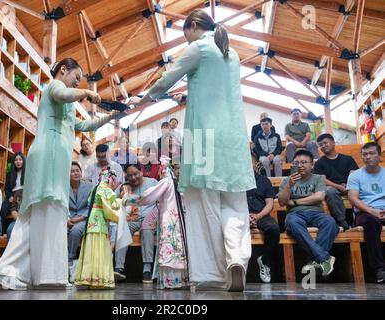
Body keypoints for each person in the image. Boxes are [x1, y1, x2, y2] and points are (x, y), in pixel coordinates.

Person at [129, 10, 255, 291]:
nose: (186, 38)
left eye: (185, 33)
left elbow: (167, 78)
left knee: (204, 206)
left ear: (194, 26)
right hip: (233, 142)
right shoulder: (230, 53)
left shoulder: (198, 47)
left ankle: (213, 274)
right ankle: (236, 258)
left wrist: (144, 98)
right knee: (235, 206)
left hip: (203, 140)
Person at [0, 58, 118, 290]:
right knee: (47, 209)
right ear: (63, 70)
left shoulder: (67, 103)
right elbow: (64, 94)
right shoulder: (54, 87)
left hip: (56, 158)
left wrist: (110, 118)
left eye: (79, 81)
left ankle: (46, 273)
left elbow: (84, 126)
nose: (76, 82)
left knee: (52, 210)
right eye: (75, 77)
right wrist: (86, 91)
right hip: (48, 154)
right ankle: (46, 274)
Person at [122, 164, 188, 289]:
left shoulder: (174, 182)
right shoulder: (173, 182)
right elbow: (148, 197)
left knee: (175, 248)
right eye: (177, 168)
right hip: (175, 219)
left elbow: (146, 197)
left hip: (177, 219)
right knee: (174, 247)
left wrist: (127, 199)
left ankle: (176, 281)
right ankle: (177, 281)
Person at [278, 150, 338, 277]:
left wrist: (295, 202)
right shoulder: (287, 180)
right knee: (292, 222)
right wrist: (289, 186)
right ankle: (324, 258)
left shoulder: (318, 179)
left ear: (312, 165)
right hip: (295, 215)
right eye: (296, 163)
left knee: (331, 223)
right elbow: (282, 202)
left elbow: (319, 197)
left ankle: (315, 260)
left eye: (304, 162)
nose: (300, 165)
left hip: (316, 213)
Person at [75, 169, 121, 289]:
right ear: (111, 179)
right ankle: (98, 279)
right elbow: (109, 207)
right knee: (100, 249)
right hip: (99, 219)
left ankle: (88, 278)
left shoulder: (96, 188)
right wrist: (120, 208)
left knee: (91, 247)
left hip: (91, 219)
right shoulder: (106, 190)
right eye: (114, 180)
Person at [114, 163, 159, 283]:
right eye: (130, 176)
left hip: (149, 218)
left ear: (141, 172)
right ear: (126, 176)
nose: (133, 178)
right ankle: (119, 268)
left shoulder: (153, 182)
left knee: (147, 229)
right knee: (123, 228)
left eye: (135, 174)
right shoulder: (125, 187)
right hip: (133, 219)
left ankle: (147, 269)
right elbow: (112, 199)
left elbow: (162, 200)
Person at [347, 142, 385, 283]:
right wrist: (372, 211)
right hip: (365, 212)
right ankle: (379, 269)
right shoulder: (356, 175)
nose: (368, 157)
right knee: (370, 222)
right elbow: (353, 198)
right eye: (364, 154)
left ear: (379, 156)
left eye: (372, 153)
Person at [314, 133, 359, 230]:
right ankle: (343, 222)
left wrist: (348, 185)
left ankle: (358, 218)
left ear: (333, 143)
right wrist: (339, 186)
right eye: (320, 145)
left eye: (325, 143)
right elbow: (322, 180)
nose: (323, 146)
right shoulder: (319, 163)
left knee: (361, 187)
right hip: (333, 188)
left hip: (350, 186)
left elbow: (354, 174)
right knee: (330, 191)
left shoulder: (348, 159)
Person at [247, 153, 280, 283]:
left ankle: (265, 262)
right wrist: (245, 216)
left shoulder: (264, 181)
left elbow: (270, 204)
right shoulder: (235, 181)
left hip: (261, 214)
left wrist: (258, 216)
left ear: (256, 164)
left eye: (249, 162)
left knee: (274, 228)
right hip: (241, 214)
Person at [68, 161, 93, 282]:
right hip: (69, 217)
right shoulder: (63, 187)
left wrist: (81, 217)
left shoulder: (89, 186)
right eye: (72, 171)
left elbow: (92, 205)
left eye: (77, 170)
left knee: (76, 231)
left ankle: (70, 259)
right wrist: (67, 219)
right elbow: (61, 205)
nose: (75, 173)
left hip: (84, 217)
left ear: (81, 172)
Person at [2, 152, 26, 240]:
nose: (18, 162)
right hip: (12, 194)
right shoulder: (10, 174)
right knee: (3, 210)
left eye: (20, 159)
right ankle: (3, 232)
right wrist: (9, 196)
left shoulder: (28, 173)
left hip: (23, 194)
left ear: (23, 161)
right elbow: (6, 188)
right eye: (16, 160)